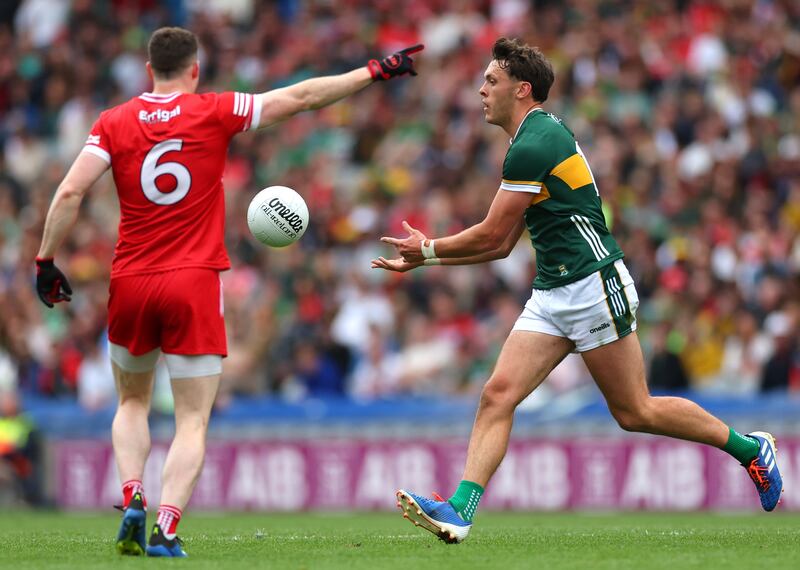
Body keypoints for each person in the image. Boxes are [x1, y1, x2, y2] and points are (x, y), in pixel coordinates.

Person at [374, 37, 783, 544]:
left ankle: (751, 449)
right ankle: (460, 510)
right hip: (553, 291)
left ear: (522, 90)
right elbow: (501, 246)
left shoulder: (535, 142)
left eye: (491, 81)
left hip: (593, 284)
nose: (480, 90)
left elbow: (491, 234)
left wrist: (428, 250)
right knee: (498, 394)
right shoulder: (529, 139)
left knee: (635, 411)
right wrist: (430, 257)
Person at [34, 26, 422, 557]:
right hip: (194, 280)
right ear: (195, 70)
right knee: (192, 418)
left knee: (132, 401)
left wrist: (45, 260)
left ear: (149, 70)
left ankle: (132, 495)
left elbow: (70, 191)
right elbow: (301, 97)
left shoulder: (112, 121)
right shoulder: (214, 109)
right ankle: (166, 527)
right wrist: (373, 71)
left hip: (131, 279)